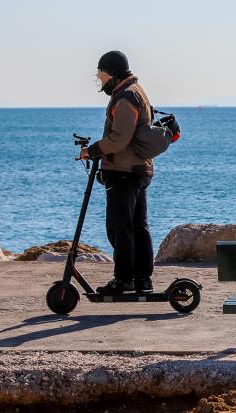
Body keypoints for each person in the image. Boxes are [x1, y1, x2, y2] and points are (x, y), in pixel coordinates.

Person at [77, 51, 155, 295]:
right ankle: (142, 279)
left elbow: (120, 138)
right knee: (137, 226)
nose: (101, 82)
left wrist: (92, 151)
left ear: (112, 73)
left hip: (124, 171)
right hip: (137, 169)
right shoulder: (135, 91)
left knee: (120, 227)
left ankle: (124, 280)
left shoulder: (125, 97)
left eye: (101, 76)